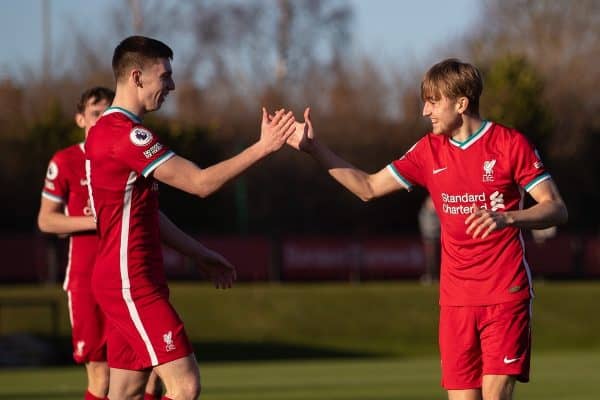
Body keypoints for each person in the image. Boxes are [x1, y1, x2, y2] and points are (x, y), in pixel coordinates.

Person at [287, 58, 568, 400]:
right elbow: (368, 187)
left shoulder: (510, 144)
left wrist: (508, 217)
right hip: (455, 302)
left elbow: (555, 207)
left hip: (505, 294)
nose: (425, 111)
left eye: (433, 101)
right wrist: (314, 149)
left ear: (461, 103)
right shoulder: (427, 151)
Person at [85, 35, 296, 400]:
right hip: (130, 282)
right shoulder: (126, 136)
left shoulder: (106, 132)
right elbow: (199, 183)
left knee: (128, 391)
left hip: (127, 279)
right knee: (184, 386)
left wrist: (199, 253)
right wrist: (262, 147)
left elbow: (145, 217)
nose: (172, 85)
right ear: (137, 77)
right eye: (164, 76)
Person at [38, 87, 163, 400]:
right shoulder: (65, 161)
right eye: (94, 114)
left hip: (131, 276)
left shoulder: (127, 150)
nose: (101, 120)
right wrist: (95, 221)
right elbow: (46, 220)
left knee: (151, 373)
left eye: (106, 113)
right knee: (101, 374)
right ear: (80, 119)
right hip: (86, 279)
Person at [418, 195, 441, 284]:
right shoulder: (424, 213)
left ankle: (436, 276)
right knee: (430, 258)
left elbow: (439, 224)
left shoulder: (437, 214)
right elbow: (424, 225)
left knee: (436, 258)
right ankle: (430, 276)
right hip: (428, 238)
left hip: (436, 237)